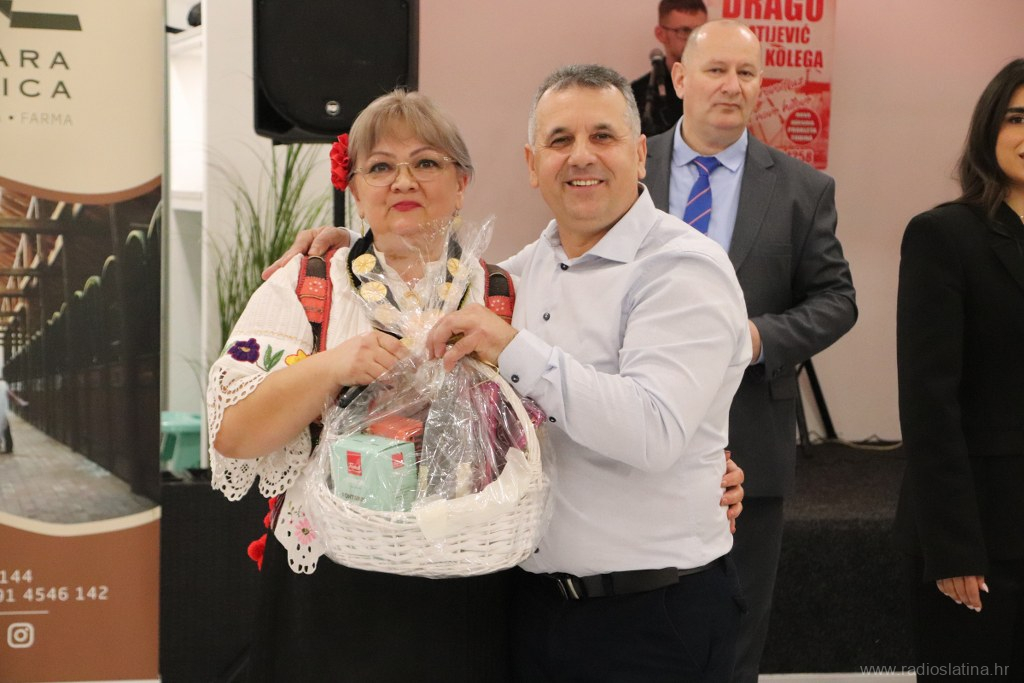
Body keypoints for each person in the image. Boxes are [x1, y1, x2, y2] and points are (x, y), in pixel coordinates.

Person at [213, 88, 746, 682]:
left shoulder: (504, 292)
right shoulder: (310, 288)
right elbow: (233, 434)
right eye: (380, 167)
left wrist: (703, 466)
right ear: (355, 190)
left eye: (427, 162)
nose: (404, 181)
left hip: (476, 601)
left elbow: (619, 404)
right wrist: (332, 366)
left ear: (462, 182)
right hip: (332, 596)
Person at [426, 64, 750, 682]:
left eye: (602, 136)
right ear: (532, 164)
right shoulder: (517, 275)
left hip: (652, 618)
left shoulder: (684, 268)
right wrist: (344, 250)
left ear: (640, 154)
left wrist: (514, 348)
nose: (581, 156)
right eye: (559, 140)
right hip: (533, 609)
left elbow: (654, 431)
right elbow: (418, 311)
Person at [643, 19, 857, 682]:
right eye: (716, 70)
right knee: (638, 631)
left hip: (749, 445)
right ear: (681, 77)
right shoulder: (627, 167)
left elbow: (837, 300)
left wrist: (762, 338)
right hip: (630, 434)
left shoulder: (802, 188)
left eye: (747, 73)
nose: (732, 85)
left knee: (733, 635)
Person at [894, 58, 1024, 682]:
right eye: (1018, 118)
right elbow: (929, 405)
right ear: (989, 128)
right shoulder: (944, 236)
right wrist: (952, 549)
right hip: (982, 537)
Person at [631, 0, 708, 137]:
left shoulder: (718, 88)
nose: (693, 39)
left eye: (699, 31)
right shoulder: (639, 95)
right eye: (684, 31)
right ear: (661, 34)